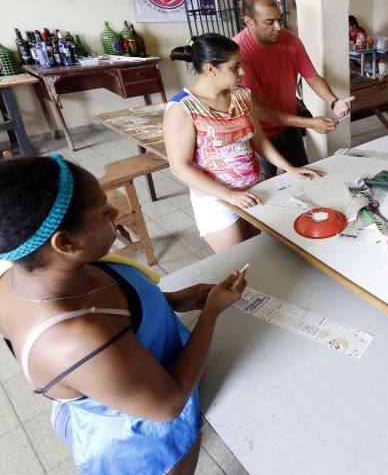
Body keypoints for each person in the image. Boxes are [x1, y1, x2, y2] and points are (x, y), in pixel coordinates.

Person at [0, 155, 249, 474]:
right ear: (66, 242)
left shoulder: (41, 271)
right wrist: (212, 312)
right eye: (104, 211)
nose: (116, 214)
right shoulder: (71, 339)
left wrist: (170, 300)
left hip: (141, 381)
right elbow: (169, 405)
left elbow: (119, 309)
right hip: (144, 440)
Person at [165, 33, 321, 252]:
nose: (242, 72)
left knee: (257, 251)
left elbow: (258, 140)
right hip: (215, 199)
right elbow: (179, 167)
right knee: (239, 259)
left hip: (252, 189)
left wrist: (289, 168)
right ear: (211, 69)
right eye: (235, 67)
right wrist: (229, 195)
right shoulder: (182, 108)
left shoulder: (241, 96)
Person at [235, 0, 354, 177]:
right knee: (267, 185)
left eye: (279, 20)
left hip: (289, 126)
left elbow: (312, 77)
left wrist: (334, 101)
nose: (278, 27)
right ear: (249, 22)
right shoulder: (240, 53)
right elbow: (259, 110)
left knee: (304, 176)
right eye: (269, 22)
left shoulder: (290, 41)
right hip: (257, 134)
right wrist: (309, 123)